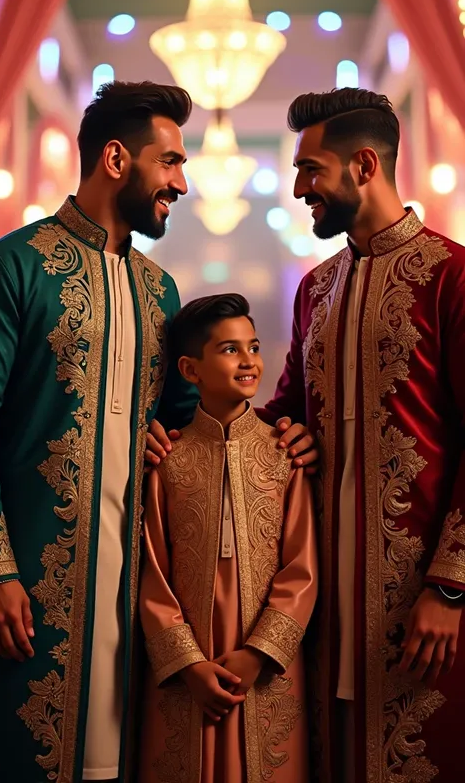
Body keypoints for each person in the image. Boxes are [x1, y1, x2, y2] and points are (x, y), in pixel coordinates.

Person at [0, 80, 313, 783]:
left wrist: (281, 440)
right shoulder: (15, 266)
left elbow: (183, 427)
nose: (182, 182)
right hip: (31, 583)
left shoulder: (158, 291)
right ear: (115, 159)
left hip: (140, 586)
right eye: (169, 162)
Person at [257, 88, 465, 783]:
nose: (298, 189)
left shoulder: (452, 276)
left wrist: (451, 588)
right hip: (325, 601)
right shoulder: (315, 288)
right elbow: (287, 408)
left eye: (311, 171)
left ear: (365, 165)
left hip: (425, 604)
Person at [139, 293, 318, 783]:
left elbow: (301, 568)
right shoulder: (167, 461)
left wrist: (260, 653)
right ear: (189, 370)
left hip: (264, 668)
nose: (249, 361)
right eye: (229, 350)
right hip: (187, 673)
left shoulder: (285, 457)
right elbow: (152, 574)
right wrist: (189, 665)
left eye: (254, 347)